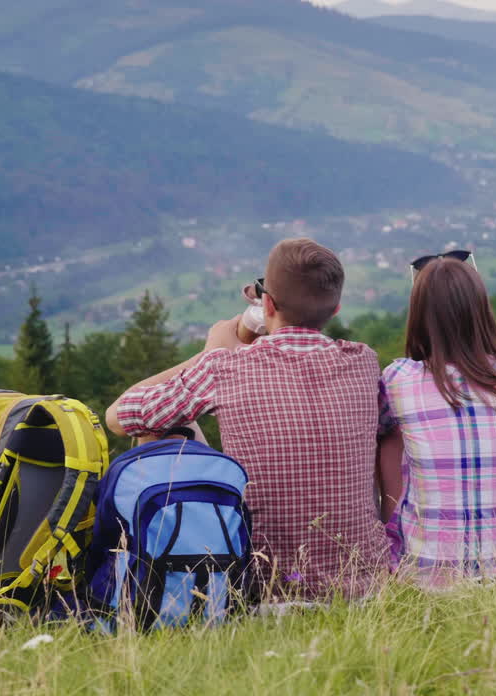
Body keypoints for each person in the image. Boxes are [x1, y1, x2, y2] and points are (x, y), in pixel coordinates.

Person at [105, 238, 389, 601]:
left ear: (266, 302)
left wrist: (209, 353)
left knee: (165, 426)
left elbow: (119, 416)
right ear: (335, 310)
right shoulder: (363, 362)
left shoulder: (224, 366)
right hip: (361, 584)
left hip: (259, 588)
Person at [377, 253, 496, 589]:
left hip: (424, 576)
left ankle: (393, 536)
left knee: (388, 434)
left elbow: (378, 435)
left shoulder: (398, 379)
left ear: (420, 316)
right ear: (481, 311)